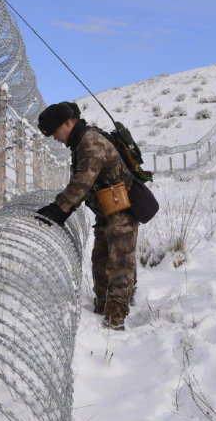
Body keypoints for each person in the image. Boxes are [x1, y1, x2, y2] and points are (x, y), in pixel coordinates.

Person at [35, 101, 139, 330]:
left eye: (55, 131)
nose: (54, 138)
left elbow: (83, 181)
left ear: (68, 123)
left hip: (121, 213)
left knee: (119, 265)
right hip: (108, 212)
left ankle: (115, 320)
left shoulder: (90, 143)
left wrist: (59, 209)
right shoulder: (82, 142)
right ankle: (102, 308)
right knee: (100, 262)